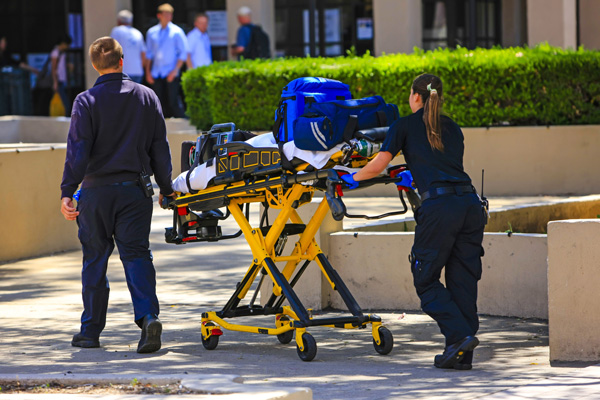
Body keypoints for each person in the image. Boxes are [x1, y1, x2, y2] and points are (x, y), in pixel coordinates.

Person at [341, 74, 487, 370]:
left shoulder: (404, 125)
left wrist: (350, 177)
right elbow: (441, 164)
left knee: (425, 279)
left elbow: (379, 164)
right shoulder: (453, 128)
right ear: (439, 97)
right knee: (463, 280)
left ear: (415, 97)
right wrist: (414, 175)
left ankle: (459, 336)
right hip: (470, 204)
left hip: (440, 209)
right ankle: (460, 353)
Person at [60, 36, 176, 353]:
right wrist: (167, 190)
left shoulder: (85, 101)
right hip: (135, 192)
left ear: (95, 66)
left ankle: (89, 332)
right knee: (137, 255)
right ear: (122, 61)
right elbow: (159, 150)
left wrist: (68, 190)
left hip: (95, 192)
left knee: (95, 258)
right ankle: (148, 318)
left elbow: (78, 152)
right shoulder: (147, 96)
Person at [145, 3, 188, 118]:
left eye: (170, 14)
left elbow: (183, 54)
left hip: (170, 72)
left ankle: (181, 125)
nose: (168, 17)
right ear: (159, 15)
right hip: (156, 72)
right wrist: (148, 72)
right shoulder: (152, 32)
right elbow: (149, 53)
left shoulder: (177, 31)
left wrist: (175, 71)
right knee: (157, 102)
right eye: (165, 14)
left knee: (173, 101)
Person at [110, 9, 146, 83]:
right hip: (137, 72)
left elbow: (112, 51)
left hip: (123, 72)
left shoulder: (116, 31)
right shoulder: (138, 33)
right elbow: (143, 54)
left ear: (118, 21)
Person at [50, 35, 73, 116]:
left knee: (65, 103)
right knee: (65, 104)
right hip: (58, 81)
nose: (68, 47)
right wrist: (55, 82)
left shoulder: (62, 53)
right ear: (63, 43)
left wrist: (68, 65)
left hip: (63, 80)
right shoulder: (55, 52)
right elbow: (53, 68)